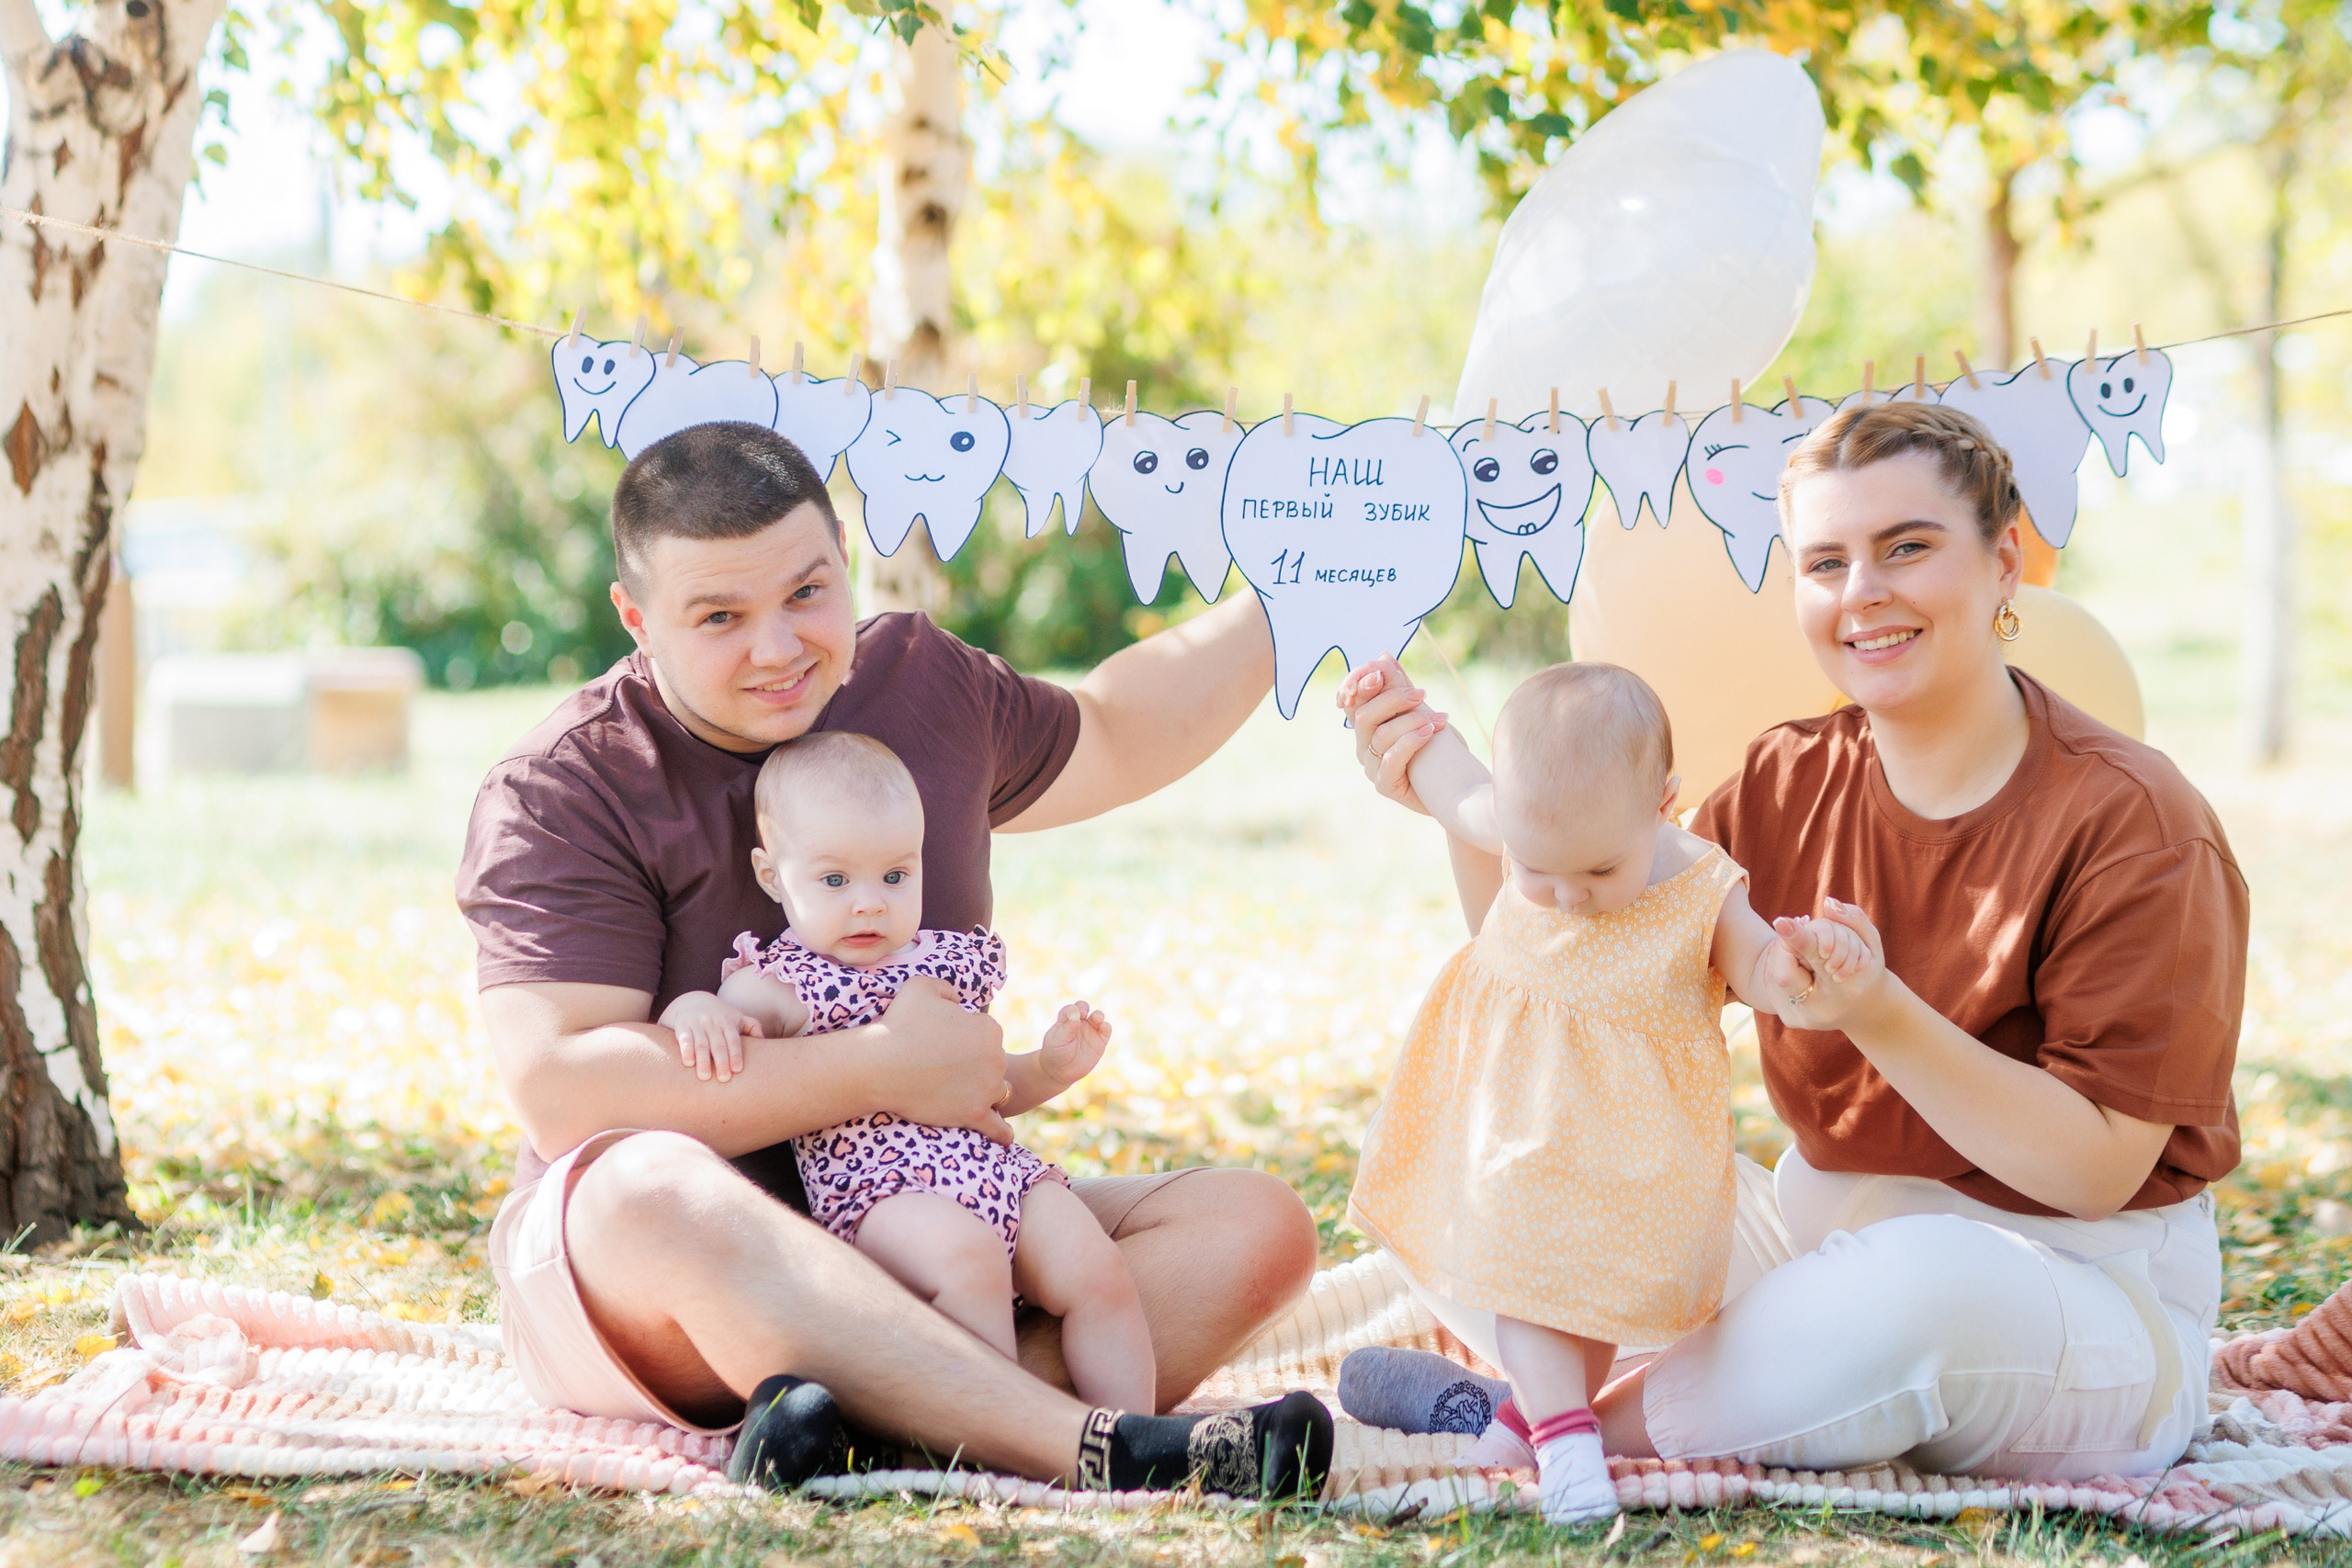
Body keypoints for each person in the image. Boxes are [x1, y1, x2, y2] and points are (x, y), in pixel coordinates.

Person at [1339, 400, 2244, 1483]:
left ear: (2006, 563)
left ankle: (1542, 1428)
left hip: (2064, 1295)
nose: (1863, 593)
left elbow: (2094, 1170)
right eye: (1825, 562)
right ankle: (1613, 1401)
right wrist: (1475, 820)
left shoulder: (2135, 821)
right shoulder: (1784, 780)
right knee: (1497, 1161)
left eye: (1906, 548)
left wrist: (1877, 1010)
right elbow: (1569, 973)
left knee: (1914, 1293)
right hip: (1816, 1251)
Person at [458, 421, 1329, 1497]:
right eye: (720, 618)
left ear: (843, 557)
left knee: (1254, 1229)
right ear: (637, 619)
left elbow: (1112, 728)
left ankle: (865, 1435)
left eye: (808, 594)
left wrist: (1304, 580)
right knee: (643, 1188)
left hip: (926, 1222)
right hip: (674, 1281)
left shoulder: (923, 684)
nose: (778, 649)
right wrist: (881, 1064)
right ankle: (1092, 1446)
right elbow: (564, 1090)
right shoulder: (565, 785)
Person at [1338, 660, 1861, 1521]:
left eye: (1598, 871)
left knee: (1596, 1297)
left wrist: (1798, 965)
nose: (1569, 897)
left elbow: (1759, 967)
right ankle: (1569, 1442)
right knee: (1533, 1279)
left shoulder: (1698, 881)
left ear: (1663, 801)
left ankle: (1515, 1423)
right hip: (1515, 1118)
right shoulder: (1511, 816)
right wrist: (1396, 707)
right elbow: (1447, 773)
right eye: (1540, 872)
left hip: (1631, 1144)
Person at [659, 731, 1152, 1412]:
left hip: (998, 1172)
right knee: (969, 1261)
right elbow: (708, 1030)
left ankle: (1136, 1438)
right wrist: (691, 1011)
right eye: (835, 880)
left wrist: (1047, 1066)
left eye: (896, 876)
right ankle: (1003, 1441)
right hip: (881, 1194)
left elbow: (989, 1087)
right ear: (773, 875)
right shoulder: (778, 985)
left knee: (1096, 1268)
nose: (870, 902)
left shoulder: (940, 962)